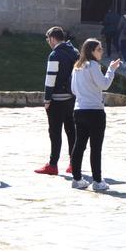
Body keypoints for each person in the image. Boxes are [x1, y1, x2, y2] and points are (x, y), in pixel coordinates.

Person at [70, 38, 121, 191]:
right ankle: (97, 181)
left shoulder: (77, 67)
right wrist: (111, 70)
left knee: (79, 145)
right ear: (91, 51)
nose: (101, 51)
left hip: (79, 109)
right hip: (95, 111)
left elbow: (73, 90)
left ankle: (77, 178)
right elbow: (104, 84)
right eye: (99, 49)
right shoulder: (93, 65)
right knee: (95, 147)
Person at [35, 26, 78, 176]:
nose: (48, 42)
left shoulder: (55, 55)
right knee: (72, 131)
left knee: (55, 133)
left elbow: (50, 79)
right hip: (72, 98)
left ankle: (53, 165)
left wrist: (47, 99)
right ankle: (74, 163)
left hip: (57, 100)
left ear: (53, 38)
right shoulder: (74, 52)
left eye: (48, 39)